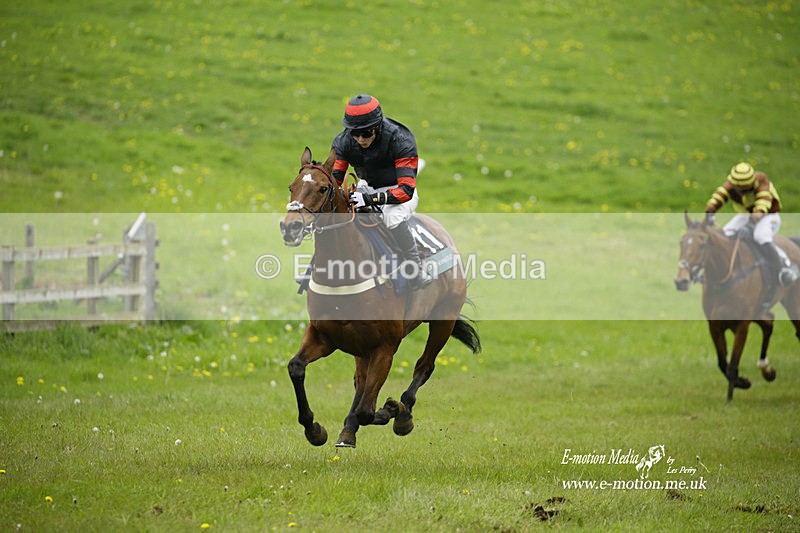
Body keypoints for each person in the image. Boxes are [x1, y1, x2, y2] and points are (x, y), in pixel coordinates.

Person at [330, 94, 433, 290]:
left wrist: (369, 199)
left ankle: (415, 268)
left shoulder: (400, 139)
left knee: (391, 217)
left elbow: (406, 191)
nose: (360, 139)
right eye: (355, 134)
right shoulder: (343, 141)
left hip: (398, 190)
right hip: (365, 186)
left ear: (377, 126)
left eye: (366, 133)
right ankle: (316, 267)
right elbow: (336, 180)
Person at [705, 162, 797, 287]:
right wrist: (710, 211)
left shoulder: (762, 183)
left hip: (769, 215)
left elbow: (761, 207)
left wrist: (750, 226)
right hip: (747, 215)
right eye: (739, 190)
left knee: (760, 235)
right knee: (725, 233)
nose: (742, 193)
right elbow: (719, 195)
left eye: (746, 189)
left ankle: (783, 267)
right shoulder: (731, 183)